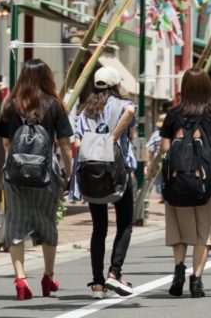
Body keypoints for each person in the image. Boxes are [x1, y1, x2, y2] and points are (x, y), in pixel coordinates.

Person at [0, 59, 74, 301]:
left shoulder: (10, 104)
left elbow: (6, 142)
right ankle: (48, 276)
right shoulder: (55, 105)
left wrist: (13, 165)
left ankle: (20, 279)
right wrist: (68, 171)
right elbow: (64, 144)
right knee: (47, 224)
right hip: (46, 174)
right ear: (47, 77)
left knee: (16, 222)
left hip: (14, 173)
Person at [160, 68, 211, 298]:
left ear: (184, 87)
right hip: (205, 180)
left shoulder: (173, 113)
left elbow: (165, 149)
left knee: (179, 229)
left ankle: (178, 271)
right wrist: (205, 155)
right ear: (207, 87)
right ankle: (196, 280)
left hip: (177, 179)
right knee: (203, 231)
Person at [70, 67, 138, 299]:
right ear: (115, 85)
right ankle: (114, 272)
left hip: (92, 173)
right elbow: (131, 117)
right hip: (118, 173)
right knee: (125, 224)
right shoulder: (122, 105)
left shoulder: (83, 112)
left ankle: (97, 283)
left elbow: (77, 145)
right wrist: (112, 138)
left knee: (99, 228)